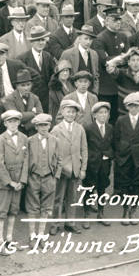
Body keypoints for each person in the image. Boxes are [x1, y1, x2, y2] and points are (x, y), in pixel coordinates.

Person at [112, 91, 139, 223]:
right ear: (126, 107)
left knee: (136, 185)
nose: (133, 108)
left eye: (136, 105)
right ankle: (125, 210)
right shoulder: (121, 120)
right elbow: (116, 138)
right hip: (124, 158)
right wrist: (119, 154)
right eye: (130, 106)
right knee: (124, 185)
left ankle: (133, 210)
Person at [0, 109, 28, 250]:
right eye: (10, 121)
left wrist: (22, 181)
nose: (13, 124)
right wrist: (9, 182)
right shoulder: (1, 139)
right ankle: (0, 240)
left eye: (15, 121)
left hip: (18, 181)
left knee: (13, 210)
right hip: (4, 181)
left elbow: (26, 160)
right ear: (5, 123)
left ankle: (9, 238)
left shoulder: (24, 138)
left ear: (19, 122)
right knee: (1, 210)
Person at [51, 98, 87, 232]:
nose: (71, 114)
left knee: (73, 197)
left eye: (73, 112)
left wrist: (83, 169)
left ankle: (70, 223)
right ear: (62, 112)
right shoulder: (56, 129)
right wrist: (55, 170)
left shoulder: (80, 129)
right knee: (58, 198)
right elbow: (52, 152)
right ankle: (55, 224)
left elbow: (84, 149)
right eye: (68, 111)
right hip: (61, 170)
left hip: (75, 169)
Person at [26, 112, 59, 241]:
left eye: (46, 125)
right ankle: (32, 234)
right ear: (36, 127)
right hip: (34, 177)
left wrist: (55, 177)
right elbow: (26, 160)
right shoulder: (30, 141)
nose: (44, 128)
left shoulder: (55, 140)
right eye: (40, 126)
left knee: (46, 207)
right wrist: (27, 177)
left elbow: (59, 159)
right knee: (32, 207)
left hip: (48, 177)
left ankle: (40, 234)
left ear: (50, 126)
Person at [83, 101, 113, 224]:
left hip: (105, 164)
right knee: (89, 189)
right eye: (100, 113)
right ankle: (87, 216)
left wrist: (109, 154)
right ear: (94, 115)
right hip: (92, 164)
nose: (103, 115)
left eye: (105, 112)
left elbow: (113, 144)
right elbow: (85, 146)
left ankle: (101, 213)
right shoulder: (88, 128)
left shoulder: (110, 128)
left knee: (102, 188)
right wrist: (89, 159)